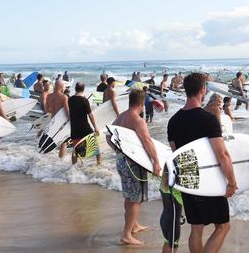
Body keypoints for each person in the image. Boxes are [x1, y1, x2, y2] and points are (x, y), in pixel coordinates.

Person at [168, 73, 236, 253]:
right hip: (208, 179)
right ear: (202, 90)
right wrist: (232, 182)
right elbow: (222, 154)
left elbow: (176, 154)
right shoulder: (208, 119)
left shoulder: (173, 121)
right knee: (223, 226)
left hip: (188, 179)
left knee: (196, 228)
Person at [109, 89, 161, 246]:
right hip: (133, 165)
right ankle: (126, 234)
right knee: (135, 199)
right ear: (141, 103)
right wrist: (156, 161)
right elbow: (147, 140)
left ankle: (134, 225)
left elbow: (108, 136)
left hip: (121, 161)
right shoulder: (138, 120)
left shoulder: (120, 118)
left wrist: (119, 151)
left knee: (129, 196)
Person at [69, 82, 101, 165]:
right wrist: (95, 127)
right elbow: (90, 115)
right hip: (85, 128)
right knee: (95, 147)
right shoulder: (84, 101)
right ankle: (98, 163)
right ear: (83, 89)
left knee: (75, 149)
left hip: (74, 128)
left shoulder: (70, 100)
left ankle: (73, 167)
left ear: (75, 88)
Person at [46, 80, 70, 158]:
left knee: (56, 141)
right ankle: (61, 161)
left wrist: (54, 110)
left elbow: (47, 109)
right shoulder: (64, 97)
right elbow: (67, 112)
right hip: (61, 122)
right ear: (61, 87)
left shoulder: (49, 96)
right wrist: (71, 121)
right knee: (63, 143)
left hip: (53, 121)